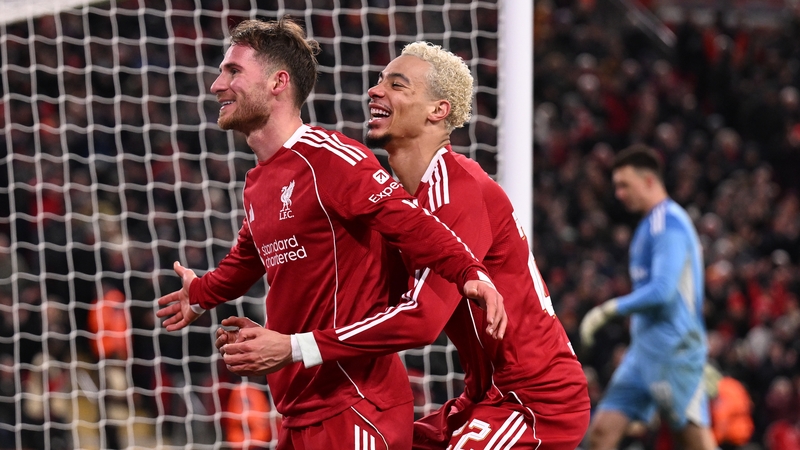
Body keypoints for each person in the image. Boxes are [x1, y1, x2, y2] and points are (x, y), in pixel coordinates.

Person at [218, 41, 590, 449]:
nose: (375, 90)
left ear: (438, 110)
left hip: (535, 400)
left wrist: (293, 347)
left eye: (397, 85)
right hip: (482, 395)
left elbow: (420, 319)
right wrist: (274, 333)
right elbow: (368, 300)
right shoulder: (393, 203)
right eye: (380, 81)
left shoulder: (458, 189)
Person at [155, 18, 506, 449]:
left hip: (355, 405)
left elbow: (410, 222)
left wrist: (468, 270)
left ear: (278, 82)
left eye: (233, 71)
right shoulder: (258, 181)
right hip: (300, 410)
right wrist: (200, 294)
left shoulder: (331, 159)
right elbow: (250, 254)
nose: (216, 85)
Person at [579, 144, 716, 450]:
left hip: (674, 351)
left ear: (649, 181)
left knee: (693, 443)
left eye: (624, 185)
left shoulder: (669, 223)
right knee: (601, 433)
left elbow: (663, 290)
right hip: (642, 354)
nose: (619, 194)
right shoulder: (647, 226)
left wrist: (608, 310)